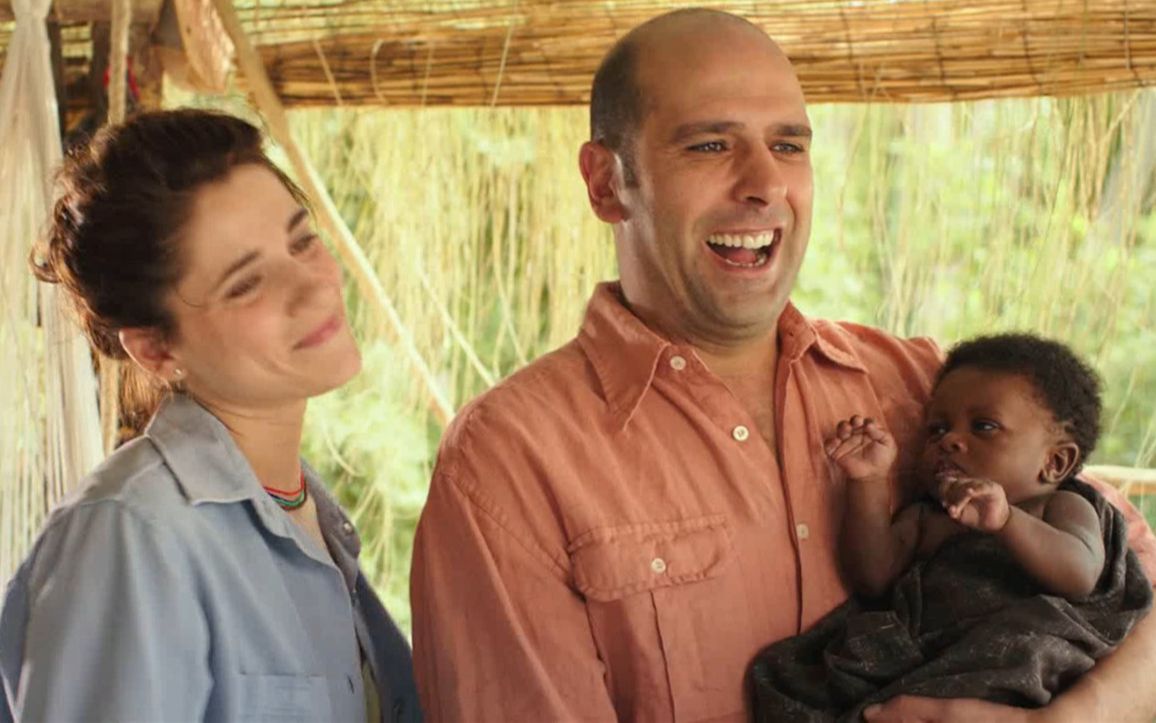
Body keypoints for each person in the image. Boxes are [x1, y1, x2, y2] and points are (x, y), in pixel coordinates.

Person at [410, 8, 1156, 722]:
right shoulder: (508, 461)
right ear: (608, 182)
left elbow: (1129, 579)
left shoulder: (927, 385)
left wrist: (1083, 714)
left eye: (790, 146)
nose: (765, 184)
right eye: (710, 145)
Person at [0, 109, 421, 722]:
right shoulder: (134, 538)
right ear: (155, 348)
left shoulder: (305, 513)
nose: (311, 285)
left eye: (302, 240)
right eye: (246, 284)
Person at [749, 334, 1152, 721]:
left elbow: (1080, 574)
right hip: (930, 659)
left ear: (1055, 463)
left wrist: (1008, 521)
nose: (950, 441)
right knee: (792, 677)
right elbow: (872, 577)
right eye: (937, 429)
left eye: (985, 427)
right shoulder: (930, 516)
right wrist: (868, 481)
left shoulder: (1062, 504)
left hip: (1018, 659)